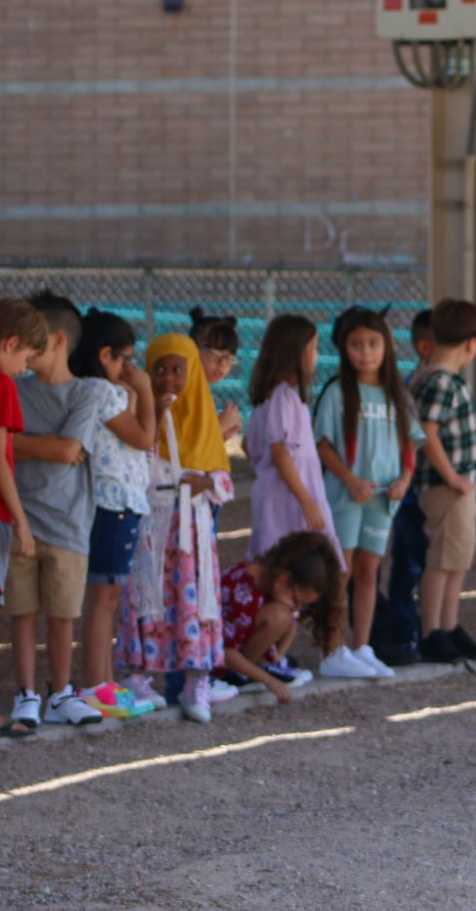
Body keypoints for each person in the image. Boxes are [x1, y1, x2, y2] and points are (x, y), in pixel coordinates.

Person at [8, 292, 123, 729]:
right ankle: (26, 694)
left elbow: (69, 449)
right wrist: (48, 447)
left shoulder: (86, 393)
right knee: (22, 613)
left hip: (69, 525)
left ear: (55, 340)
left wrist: (16, 442)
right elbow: (55, 449)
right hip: (19, 521)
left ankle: (59, 693)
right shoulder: (14, 388)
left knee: (61, 616)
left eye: (29, 338)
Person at [118, 334, 234, 724]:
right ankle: (139, 675)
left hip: (193, 533)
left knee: (193, 600)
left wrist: (207, 483)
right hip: (154, 523)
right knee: (146, 596)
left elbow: (223, 476)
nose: (169, 378)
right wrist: (157, 416)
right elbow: (135, 462)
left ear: (192, 373)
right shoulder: (143, 413)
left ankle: (195, 679)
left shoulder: (204, 420)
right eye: (160, 370)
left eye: (177, 370)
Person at [314, 307, 424, 679]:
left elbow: (411, 444)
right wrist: (349, 479)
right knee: (339, 571)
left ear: (387, 346)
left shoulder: (399, 394)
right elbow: (323, 444)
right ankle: (333, 649)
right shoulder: (336, 392)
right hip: (348, 496)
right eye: (357, 344)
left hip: (383, 499)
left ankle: (362, 646)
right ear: (344, 349)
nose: (366, 352)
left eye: (373, 343)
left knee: (368, 571)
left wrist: (406, 477)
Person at [68, 308, 157, 718]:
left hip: (121, 503)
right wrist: (147, 390)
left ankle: (104, 684)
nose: (131, 367)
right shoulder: (100, 392)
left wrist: (135, 390)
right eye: (126, 359)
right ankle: (95, 686)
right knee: (103, 597)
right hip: (110, 503)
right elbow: (143, 437)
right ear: (106, 356)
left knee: (110, 595)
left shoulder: (107, 391)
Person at [0, 298, 48, 735]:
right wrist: (20, 520)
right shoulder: (0, 384)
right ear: (11, 343)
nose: (23, 368)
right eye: (25, 358)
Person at [412, 299, 476, 665]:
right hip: (447, 486)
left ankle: (449, 624)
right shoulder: (441, 382)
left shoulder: (441, 379)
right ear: (472, 343)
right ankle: (431, 630)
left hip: (460, 485)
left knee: (457, 557)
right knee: (442, 559)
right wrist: (452, 477)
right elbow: (426, 434)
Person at [246, 313, 341, 563]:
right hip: (288, 502)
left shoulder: (267, 400)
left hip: (283, 497)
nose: (317, 355)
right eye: (314, 348)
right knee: (292, 567)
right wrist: (307, 501)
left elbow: (250, 446)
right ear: (296, 352)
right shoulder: (282, 397)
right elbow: (279, 453)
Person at [373, 308, 434, 669]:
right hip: (390, 489)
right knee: (399, 563)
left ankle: (408, 627)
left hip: (407, 483)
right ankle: (397, 629)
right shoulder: (409, 384)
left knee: (409, 560)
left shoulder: (403, 384)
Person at [216, 531, 342, 704]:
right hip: (222, 663)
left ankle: (256, 669)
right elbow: (225, 651)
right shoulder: (242, 587)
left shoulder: (270, 583)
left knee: (285, 615)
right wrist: (269, 681)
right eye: (298, 601)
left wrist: (278, 656)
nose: (297, 607)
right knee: (280, 615)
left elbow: (292, 620)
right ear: (282, 581)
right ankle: (241, 675)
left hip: (239, 654)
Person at [190, 308, 243, 442]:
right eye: (216, 355)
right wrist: (221, 426)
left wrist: (221, 435)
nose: (223, 364)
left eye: (230, 358)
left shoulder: (202, 390)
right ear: (195, 349)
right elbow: (190, 449)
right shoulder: (188, 390)